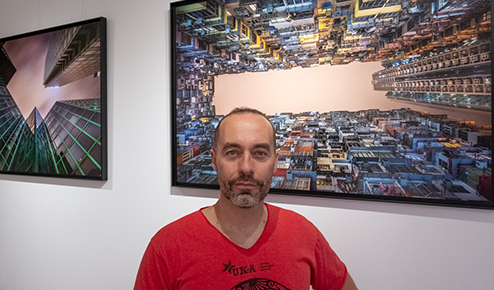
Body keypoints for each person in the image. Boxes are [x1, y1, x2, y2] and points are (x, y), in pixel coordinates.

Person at [134, 107, 358, 290]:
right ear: (214, 160)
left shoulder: (304, 233)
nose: (246, 167)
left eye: (260, 153)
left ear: (275, 161)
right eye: (232, 152)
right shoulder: (167, 247)